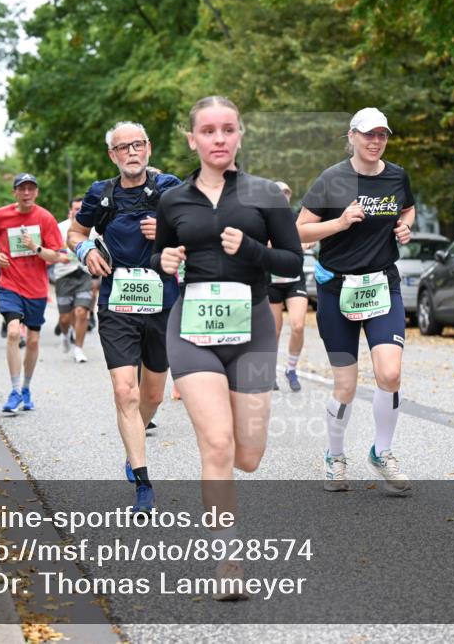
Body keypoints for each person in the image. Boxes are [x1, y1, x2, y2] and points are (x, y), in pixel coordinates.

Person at [152, 96, 302, 598]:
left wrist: (254, 250)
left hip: (254, 330)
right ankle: (226, 557)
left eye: (228, 130)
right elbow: (161, 258)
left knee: (249, 455)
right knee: (217, 443)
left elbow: (293, 265)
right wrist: (166, 261)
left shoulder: (265, 196)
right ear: (192, 138)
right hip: (192, 330)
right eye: (208, 131)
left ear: (240, 136)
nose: (219, 139)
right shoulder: (173, 200)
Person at [296, 107, 416, 495]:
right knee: (345, 385)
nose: (375, 141)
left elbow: (408, 207)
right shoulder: (331, 179)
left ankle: (382, 452)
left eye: (382, 134)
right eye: (368, 134)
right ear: (352, 136)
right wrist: (340, 223)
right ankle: (335, 455)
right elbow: (298, 231)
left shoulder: (397, 175)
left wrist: (406, 225)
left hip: (383, 284)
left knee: (390, 373)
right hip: (337, 289)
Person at [68, 121, 183, 514]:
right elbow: (75, 231)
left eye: (137, 145)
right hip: (117, 301)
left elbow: (198, 230)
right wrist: (85, 251)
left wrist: (168, 231)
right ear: (112, 155)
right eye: (122, 147)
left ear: (148, 148)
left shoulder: (170, 187)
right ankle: (143, 481)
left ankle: (135, 443)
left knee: (151, 394)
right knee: (125, 392)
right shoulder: (101, 194)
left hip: (163, 300)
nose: (131, 152)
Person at [0, 173, 63, 413]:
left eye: (31, 189)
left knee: (34, 340)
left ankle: (26, 387)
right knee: (14, 332)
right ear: (15, 192)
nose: (27, 193)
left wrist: (35, 247)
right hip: (10, 285)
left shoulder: (45, 218)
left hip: (36, 288)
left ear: (36, 192)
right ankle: (15, 390)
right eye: (22, 189)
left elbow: (55, 254)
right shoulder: (0, 215)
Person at [269, 182, 313, 392]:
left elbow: (309, 237)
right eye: (279, 192)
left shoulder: (297, 219)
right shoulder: (264, 218)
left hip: (295, 279)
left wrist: (306, 242)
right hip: (271, 281)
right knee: (274, 330)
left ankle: (291, 369)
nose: (283, 195)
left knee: (297, 326)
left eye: (286, 192)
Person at [54, 197, 97, 363]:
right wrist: (59, 256)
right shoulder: (60, 228)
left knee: (81, 312)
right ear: (70, 210)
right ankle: (65, 335)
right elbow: (52, 249)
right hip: (64, 274)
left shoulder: (90, 229)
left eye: (81, 208)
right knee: (65, 318)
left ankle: (78, 349)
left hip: (84, 273)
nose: (79, 211)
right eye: (76, 209)